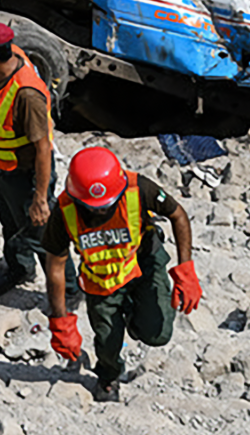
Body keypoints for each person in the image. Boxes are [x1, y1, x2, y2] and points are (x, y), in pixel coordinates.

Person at [42, 146, 202, 403]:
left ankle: (135, 317)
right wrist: (60, 320)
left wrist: (186, 270)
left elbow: (178, 214)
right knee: (107, 340)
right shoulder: (63, 211)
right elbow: (56, 266)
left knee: (157, 333)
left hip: (142, 262)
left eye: (107, 205)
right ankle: (108, 378)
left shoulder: (138, 189)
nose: (101, 211)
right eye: (93, 207)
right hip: (102, 280)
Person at [0, 22, 79, 299]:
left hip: (26, 175)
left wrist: (40, 198)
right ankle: (19, 269)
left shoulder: (27, 95)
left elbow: (43, 148)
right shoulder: (2, 60)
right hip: (1, 167)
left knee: (42, 235)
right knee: (11, 224)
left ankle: (69, 290)